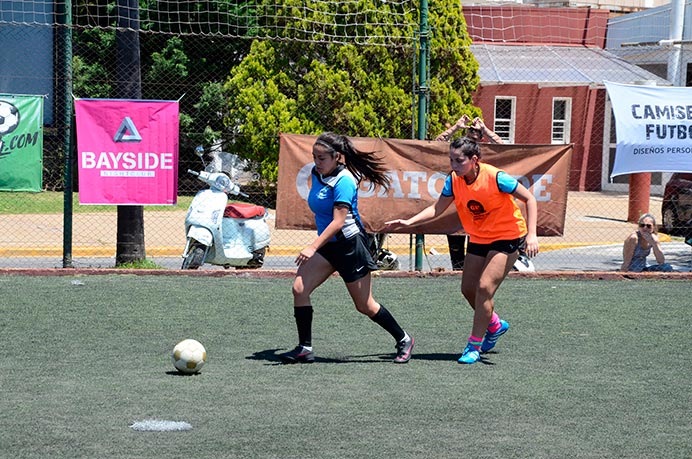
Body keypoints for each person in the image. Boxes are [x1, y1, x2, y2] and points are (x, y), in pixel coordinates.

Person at [385, 137, 539, 364]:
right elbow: (437, 208)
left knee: (484, 287)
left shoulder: (496, 177)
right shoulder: (454, 180)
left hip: (508, 235)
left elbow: (529, 198)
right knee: (468, 289)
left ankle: (474, 345)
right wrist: (410, 222)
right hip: (479, 236)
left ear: (474, 160)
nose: (454, 166)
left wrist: (532, 235)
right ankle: (494, 325)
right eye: (451, 160)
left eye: (459, 161)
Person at [279, 132, 414, 364]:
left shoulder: (345, 181)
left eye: (322, 158)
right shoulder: (317, 173)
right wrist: (318, 245)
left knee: (365, 305)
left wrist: (312, 246)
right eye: (314, 157)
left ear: (337, 157)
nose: (316, 162)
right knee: (300, 289)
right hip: (329, 245)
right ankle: (305, 348)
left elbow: (338, 221)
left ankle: (404, 339)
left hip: (350, 246)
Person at [434, 116, 504, 270]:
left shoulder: (485, 154)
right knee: (457, 251)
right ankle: (459, 272)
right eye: (469, 133)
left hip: (482, 212)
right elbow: (436, 144)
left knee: (479, 254)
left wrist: (485, 129)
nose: (473, 134)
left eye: (476, 133)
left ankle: (477, 276)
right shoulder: (459, 154)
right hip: (459, 208)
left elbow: (504, 146)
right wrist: (456, 127)